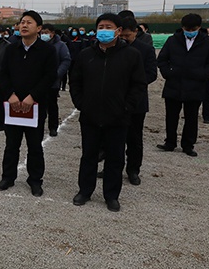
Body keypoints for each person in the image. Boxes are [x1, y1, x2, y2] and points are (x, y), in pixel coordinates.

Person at [69, 13, 147, 212]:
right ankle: (85, 191)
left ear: (118, 31)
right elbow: (75, 81)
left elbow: (138, 85)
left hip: (118, 117)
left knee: (115, 158)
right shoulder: (86, 55)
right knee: (89, 156)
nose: (104, 30)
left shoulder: (131, 55)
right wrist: (81, 103)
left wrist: (126, 108)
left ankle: (111, 195)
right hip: (90, 116)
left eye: (108, 27)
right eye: (101, 27)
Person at [0, 12, 57, 194]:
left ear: (39, 28)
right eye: (22, 22)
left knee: (35, 145)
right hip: (13, 104)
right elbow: (2, 73)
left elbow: (49, 76)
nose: (24, 25)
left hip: (35, 105)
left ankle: (35, 180)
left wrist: (33, 96)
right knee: (11, 144)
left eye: (29, 22)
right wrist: (10, 95)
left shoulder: (47, 51)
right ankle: (8, 177)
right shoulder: (11, 49)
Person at [156, 13, 209, 157]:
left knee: (191, 117)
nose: (190, 31)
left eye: (193, 29)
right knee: (171, 116)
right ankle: (170, 142)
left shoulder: (208, 42)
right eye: (187, 29)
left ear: (199, 27)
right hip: (173, 84)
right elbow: (162, 59)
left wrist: (203, 75)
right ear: (182, 27)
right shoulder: (172, 40)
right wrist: (168, 73)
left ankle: (188, 144)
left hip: (195, 86)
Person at [119, 17, 158, 185]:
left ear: (135, 32)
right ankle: (111, 167)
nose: (124, 38)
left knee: (134, 139)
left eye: (127, 35)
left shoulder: (145, 50)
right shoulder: (111, 48)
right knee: (113, 138)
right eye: (121, 35)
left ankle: (133, 169)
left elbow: (151, 74)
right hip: (114, 100)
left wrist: (133, 84)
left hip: (136, 101)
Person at [40, 24, 71, 136]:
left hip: (52, 82)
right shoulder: (38, 44)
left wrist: (56, 74)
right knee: (39, 106)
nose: (44, 35)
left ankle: (53, 127)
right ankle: (38, 125)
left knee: (52, 105)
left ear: (52, 33)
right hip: (39, 81)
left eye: (46, 32)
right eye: (42, 32)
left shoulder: (60, 45)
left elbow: (66, 60)